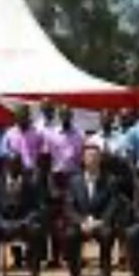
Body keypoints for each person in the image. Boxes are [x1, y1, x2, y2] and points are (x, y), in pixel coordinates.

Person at [63, 138, 121, 276]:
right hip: (81, 224)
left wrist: (99, 222)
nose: (92, 159)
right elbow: (69, 207)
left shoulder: (110, 180)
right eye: (89, 156)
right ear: (83, 159)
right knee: (69, 235)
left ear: (100, 159)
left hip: (101, 223)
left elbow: (113, 205)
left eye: (95, 156)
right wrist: (81, 222)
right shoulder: (74, 181)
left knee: (107, 235)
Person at [0, 152, 45, 276]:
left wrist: (23, 222)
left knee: (36, 232)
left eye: (17, 164)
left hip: (24, 224)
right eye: (10, 164)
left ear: (21, 165)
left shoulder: (31, 183)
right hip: (2, 225)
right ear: (5, 166)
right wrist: (3, 223)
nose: (14, 167)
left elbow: (38, 208)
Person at [44, 105, 84, 266]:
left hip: (74, 177)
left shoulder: (80, 134)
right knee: (56, 219)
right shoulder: (51, 134)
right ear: (59, 116)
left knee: (74, 216)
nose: (65, 117)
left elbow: (82, 160)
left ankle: (74, 256)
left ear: (72, 115)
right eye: (63, 114)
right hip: (57, 177)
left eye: (68, 114)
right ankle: (55, 257)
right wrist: (50, 184)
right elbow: (46, 161)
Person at [1, 105, 47, 172]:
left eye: (25, 115)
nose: (22, 118)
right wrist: (11, 155)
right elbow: (3, 150)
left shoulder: (36, 133)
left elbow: (42, 150)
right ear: (16, 117)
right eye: (20, 116)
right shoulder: (9, 133)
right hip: (15, 171)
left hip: (31, 170)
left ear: (28, 116)